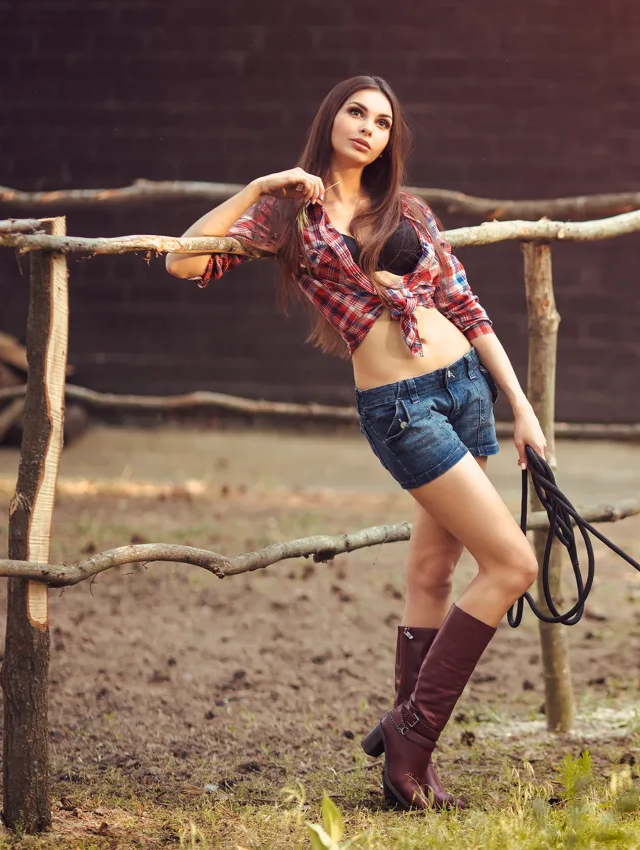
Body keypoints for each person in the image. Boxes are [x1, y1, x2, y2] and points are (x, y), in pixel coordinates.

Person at [165, 75, 543, 811]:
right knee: (513, 563)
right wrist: (257, 187)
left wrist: (521, 409)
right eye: (356, 112)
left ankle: (409, 769)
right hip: (403, 410)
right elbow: (185, 261)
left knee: (434, 575)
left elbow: (466, 306)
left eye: (382, 120)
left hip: (467, 393)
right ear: (331, 119)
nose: (368, 127)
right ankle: (412, 735)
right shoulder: (290, 217)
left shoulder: (409, 210)